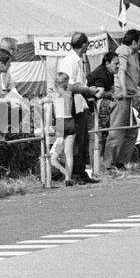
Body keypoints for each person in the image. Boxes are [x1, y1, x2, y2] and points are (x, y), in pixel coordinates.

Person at [56, 32, 102, 183]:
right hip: (72, 105)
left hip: (79, 103)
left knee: (82, 140)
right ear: (84, 45)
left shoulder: (77, 60)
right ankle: (75, 174)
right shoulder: (70, 61)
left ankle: (81, 172)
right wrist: (88, 90)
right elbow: (69, 85)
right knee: (76, 141)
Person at [105, 29, 140, 172]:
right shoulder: (123, 50)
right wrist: (122, 90)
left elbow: (138, 74)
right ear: (134, 41)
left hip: (128, 96)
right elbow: (120, 71)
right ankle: (108, 165)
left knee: (131, 132)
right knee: (116, 131)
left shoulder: (133, 54)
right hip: (122, 96)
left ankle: (120, 162)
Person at [47, 71, 77, 185]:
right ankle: (68, 179)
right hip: (70, 121)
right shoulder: (69, 92)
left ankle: (66, 173)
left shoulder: (54, 94)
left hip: (60, 123)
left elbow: (44, 100)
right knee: (68, 154)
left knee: (52, 158)